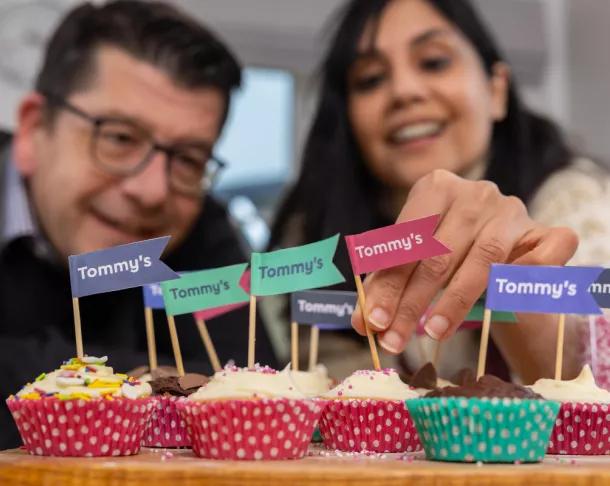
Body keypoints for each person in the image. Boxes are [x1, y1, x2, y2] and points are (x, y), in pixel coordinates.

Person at [270, 0, 610, 383]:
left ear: (496, 91)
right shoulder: (318, 235)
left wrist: (512, 284)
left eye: (433, 62)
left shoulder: (577, 203)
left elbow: (591, 375)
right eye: (370, 79)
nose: (404, 90)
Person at [0, 0, 277, 449]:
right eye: (120, 138)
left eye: (189, 159)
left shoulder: (204, 225)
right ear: (33, 131)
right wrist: (149, 380)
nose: (152, 191)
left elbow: (253, 393)